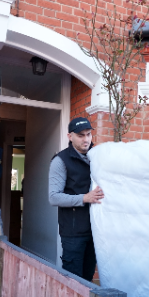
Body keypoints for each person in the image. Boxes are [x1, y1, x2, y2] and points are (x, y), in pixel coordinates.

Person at [49, 117, 104, 280]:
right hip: (73, 233)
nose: (86, 139)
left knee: (87, 278)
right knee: (73, 281)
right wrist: (85, 198)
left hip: (95, 230)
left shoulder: (98, 157)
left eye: (88, 134)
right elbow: (53, 197)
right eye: (81, 135)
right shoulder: (60, 161)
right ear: (69, 136)